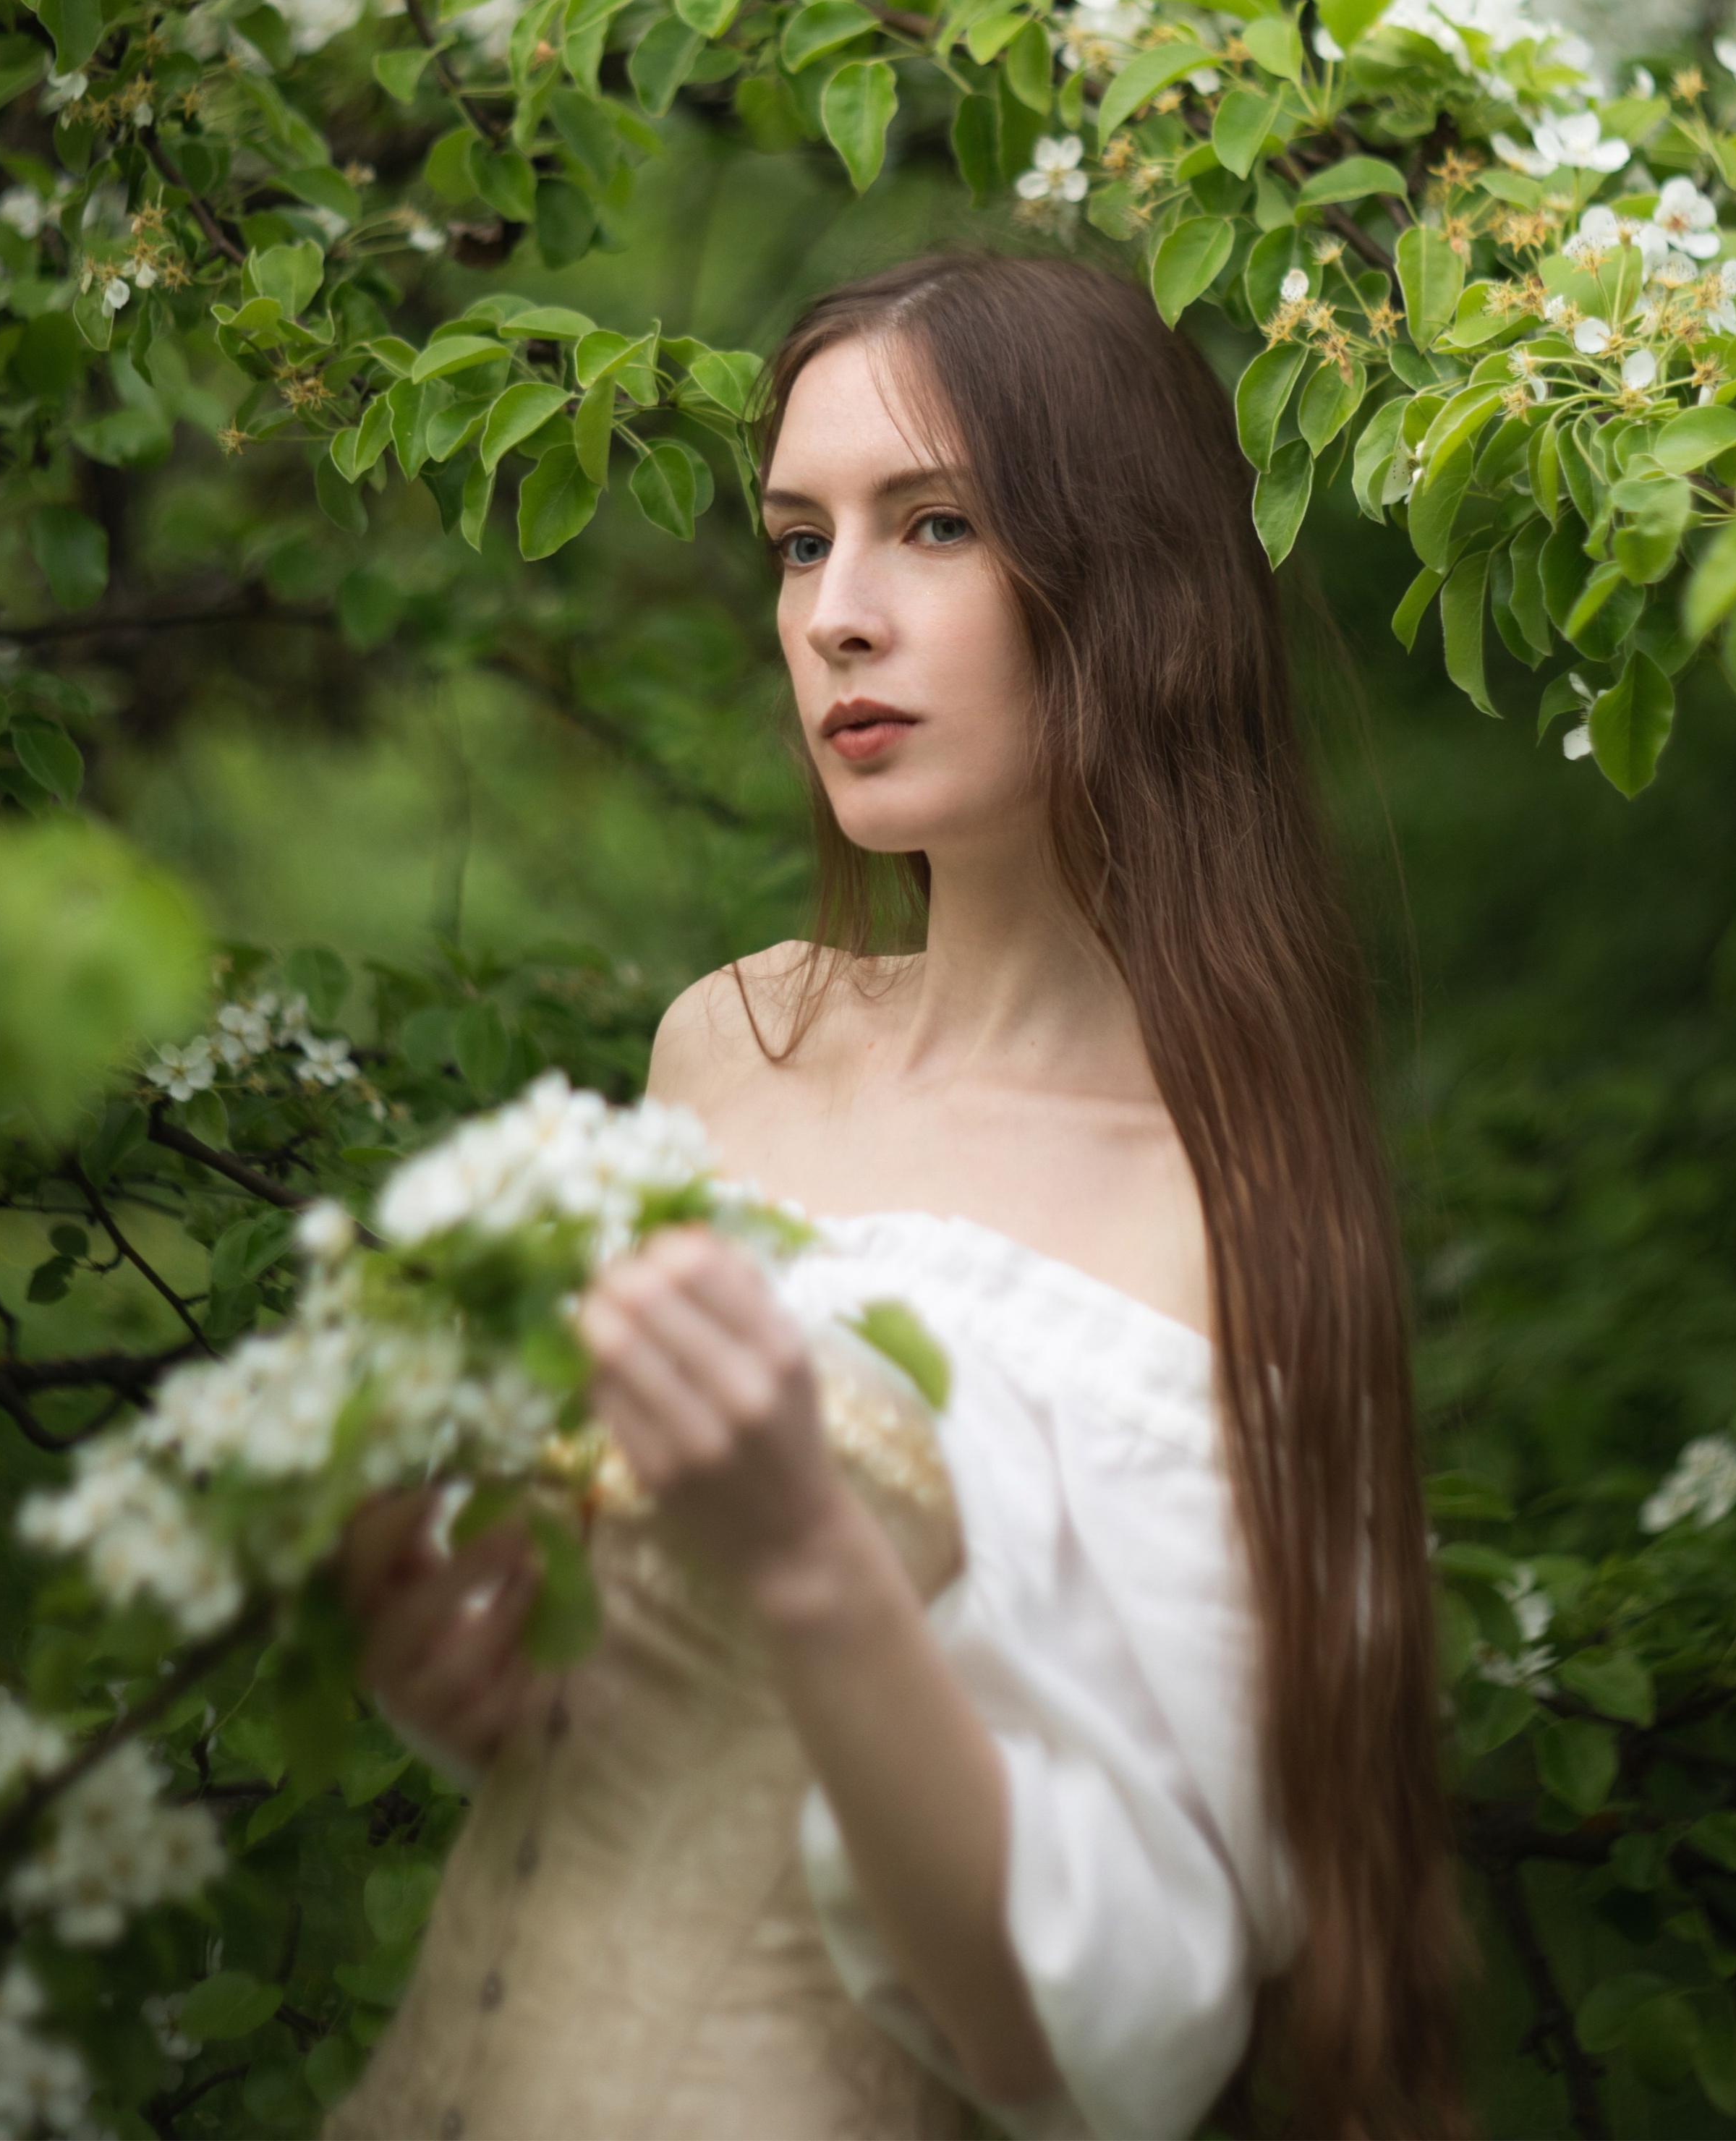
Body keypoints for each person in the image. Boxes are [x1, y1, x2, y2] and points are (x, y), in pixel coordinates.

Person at [331, 253, 1466, 2141]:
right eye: (797, 542)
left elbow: (1119, 2035)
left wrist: (814, 1565)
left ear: (1129, 584)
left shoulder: (1223, 1213)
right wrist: (476, 1675)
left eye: (930, 525)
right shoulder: (728, 1051)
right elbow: (646, 1723)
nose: (837, 617)